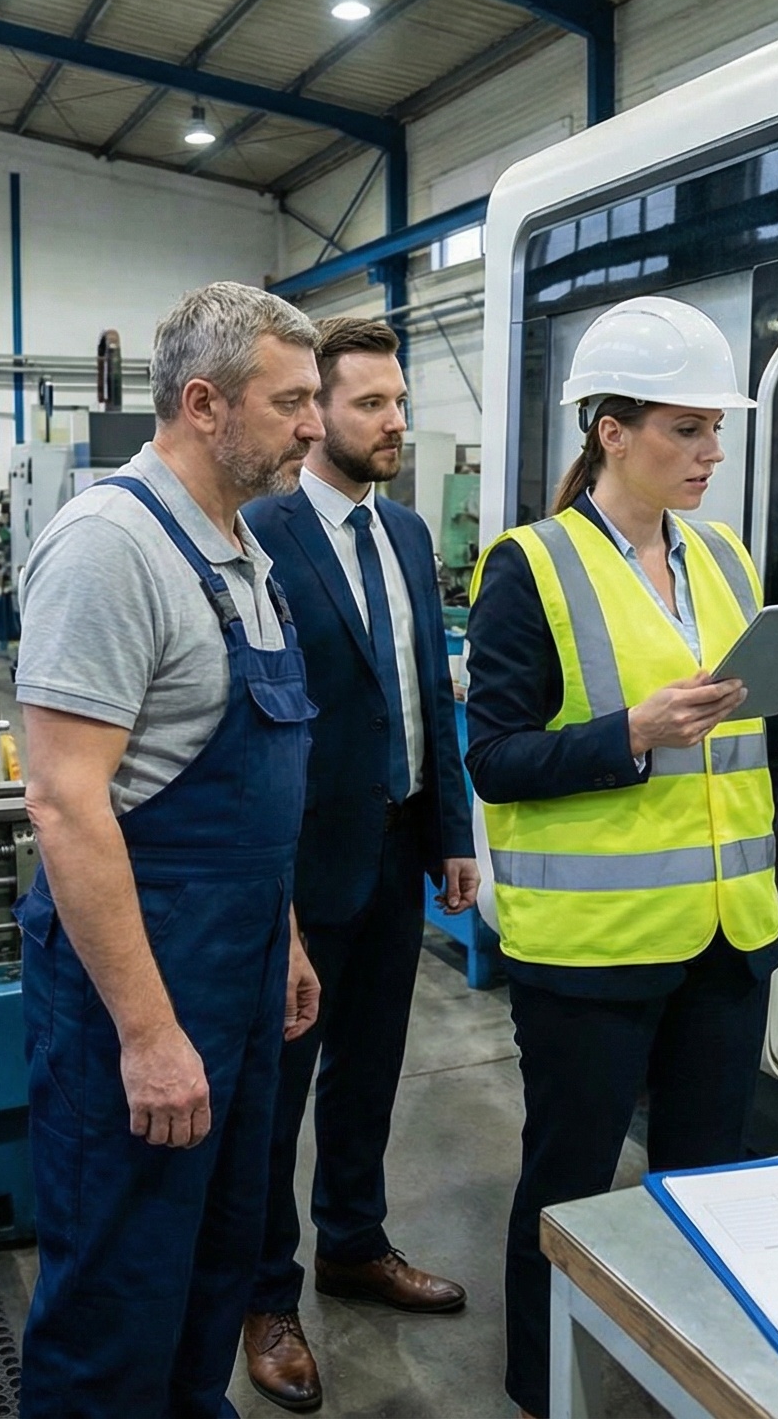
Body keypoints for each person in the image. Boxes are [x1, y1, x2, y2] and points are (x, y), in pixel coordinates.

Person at [462, 295, 778, 1419]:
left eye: (716, 431)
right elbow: (496, 759)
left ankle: (683, 1381)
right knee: (571, 1187)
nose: (711, 454)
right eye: (686, 429)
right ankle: (545, 1387)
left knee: (708, 1187)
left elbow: (746, 729)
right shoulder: (528, 568)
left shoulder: (721, 560)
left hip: (729, 940)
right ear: (610, 431)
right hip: (594, 955)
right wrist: (628, 732)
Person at [14, 281, 329, 1419]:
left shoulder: (243, 551)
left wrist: (282, 939)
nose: (314, 425)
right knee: (118, 1290)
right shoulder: (111, 549)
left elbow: (255, 793)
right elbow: (65, 805)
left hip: (237, 969)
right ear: (205, 404)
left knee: (214, 1261)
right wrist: (148, 1036)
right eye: (291, 401)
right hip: (137, 987)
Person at [236, 318, 480, 1413]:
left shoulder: (413, 534)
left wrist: (452, 833)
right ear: (315, 414)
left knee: (372, 1068)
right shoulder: (258, 535)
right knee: (274, 1094)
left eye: (398, 401)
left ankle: (354, 1244)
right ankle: (263, 1294)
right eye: (371, 404)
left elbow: (424, 693)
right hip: (295, 868)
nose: (395, 422)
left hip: (395, 848)